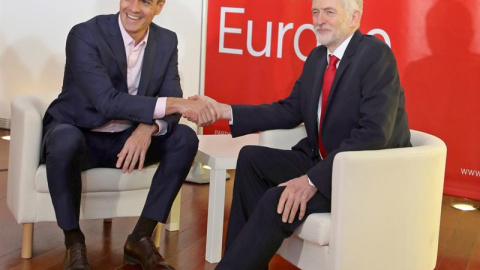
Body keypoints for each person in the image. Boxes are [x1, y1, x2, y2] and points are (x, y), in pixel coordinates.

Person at [188, 0, 411, 268]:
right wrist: (224, 111)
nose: (319, 20)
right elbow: (290, 110)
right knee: (250, 159)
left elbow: (374, 134)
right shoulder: (317, 58)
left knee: (275, 199)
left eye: (329, 12)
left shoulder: (376, 55)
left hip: (358, 174)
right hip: (321, 159)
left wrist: (311, 181)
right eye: (315, 12)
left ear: (354, 17)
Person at [41, 1, 216, 269]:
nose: (133, 7)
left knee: (184, 137)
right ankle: (73, 242)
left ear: (159, 6)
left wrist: (148, 128)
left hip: (128, 140)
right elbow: (107, 101)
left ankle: (140, 238)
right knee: (64, 139)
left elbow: (170, 96)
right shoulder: (84, 34)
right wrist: (177, 104)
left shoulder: (166, 40)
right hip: (80, 133)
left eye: (145, 1)